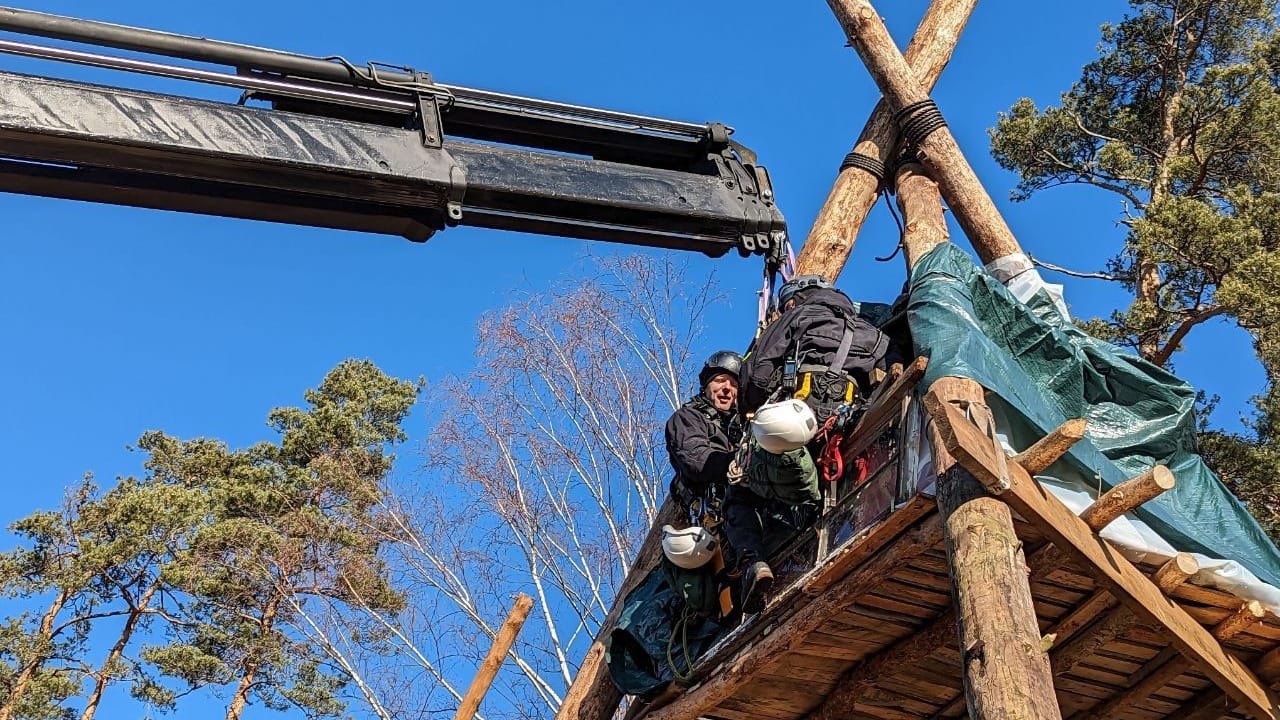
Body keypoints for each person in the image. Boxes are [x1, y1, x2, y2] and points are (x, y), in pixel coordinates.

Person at [739, 274, 892, 425]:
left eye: (787, 305)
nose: (788, 309)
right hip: (847, 421)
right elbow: (888, 371)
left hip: (793, 414)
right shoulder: (872, 332)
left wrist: (752, 407)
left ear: (796, 300)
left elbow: (758, 371)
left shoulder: (795, 315)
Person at [664, 350, 744, 530]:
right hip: (709, 514)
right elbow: (697, 461)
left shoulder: (739, 427)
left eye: (733, 384)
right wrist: (740, 462)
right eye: (720, 381)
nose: (727, 388)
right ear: (706, 386)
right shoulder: (687, 418)